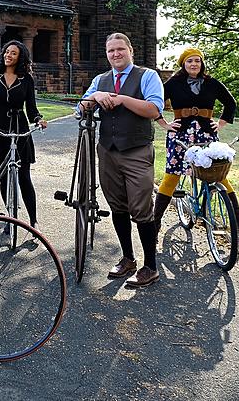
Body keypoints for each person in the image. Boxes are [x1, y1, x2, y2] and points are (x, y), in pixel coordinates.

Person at [79, 32, 165, 289]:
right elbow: (80, 108)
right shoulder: (101, 79)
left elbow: (154, 109)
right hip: (108, 149)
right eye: (110, 51)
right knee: (117, 205)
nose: (115, 54)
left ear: (130, 51)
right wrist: (94, 97)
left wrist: (122, 99)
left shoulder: (147, 76)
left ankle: (150, 266)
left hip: (137, 149)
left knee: (140, 207)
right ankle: (128, 258)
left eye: (120, 49)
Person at [154, 48, 239, 241]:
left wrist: (220, 124)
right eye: (190, 61)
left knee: (218, 175)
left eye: (197, 61)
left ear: (202, 63)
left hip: (206, 135)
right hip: (179, 135)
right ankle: (153, 226)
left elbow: (230, 103)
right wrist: (165, 124)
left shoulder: (211, 83)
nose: (194, 64)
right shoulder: (173, 83)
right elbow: (154, 102)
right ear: (183, 64)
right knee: (172, 176)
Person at [0, 40, 48, 228]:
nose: (8, 55)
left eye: (13, 53)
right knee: (4, 175)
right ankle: (11, 217)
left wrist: (38, 120)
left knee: (24, 176)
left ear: (20, 57)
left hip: (20, 129)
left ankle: (33, 221)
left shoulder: (27, 79)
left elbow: (31, 108)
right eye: (7, 52)